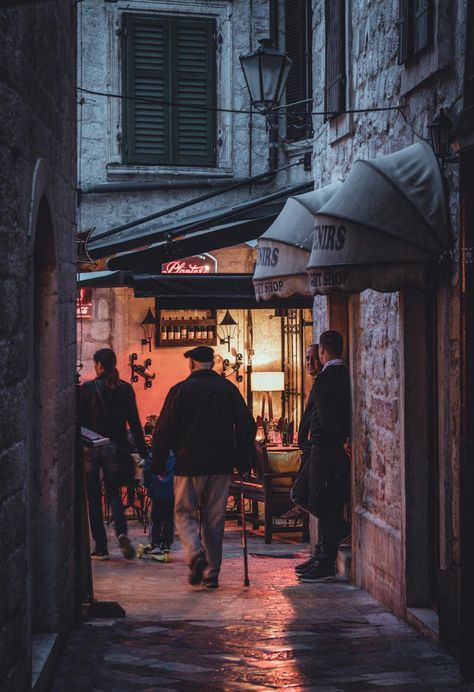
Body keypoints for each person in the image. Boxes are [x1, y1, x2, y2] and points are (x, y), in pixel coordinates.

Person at [152, 345, 256, 589]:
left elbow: (163, 429)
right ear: (212, 363)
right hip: (220, 464)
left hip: (189, 463)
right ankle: (211, 573)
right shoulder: (228, 390)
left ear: (191, 364)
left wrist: (158, 462)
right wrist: (242, 461)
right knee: (214, 518)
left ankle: (195, 554)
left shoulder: (180, 390)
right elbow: (246, 426)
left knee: (184, 512)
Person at [81, 348, 147, 560]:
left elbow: (80, 421)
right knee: (113, 495)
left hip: (92, 448)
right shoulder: (125, 389)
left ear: (99, 365)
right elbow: (135, 423)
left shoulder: (89, 388)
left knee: (93, 498)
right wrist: (144, 451)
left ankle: (101, 547)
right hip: (115, 448)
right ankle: (121, 533)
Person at [298, 330, 351, 582]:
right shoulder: (341, 375)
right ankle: (323, 555)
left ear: (323, 351)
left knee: (322, 500)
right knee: (321, 500)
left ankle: (326, 560)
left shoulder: (326, 378)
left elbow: (327, 416)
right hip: (328, 447)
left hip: (326, 448)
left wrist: (340, 440)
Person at [291, 344, 324, 573]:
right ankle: (320, 553)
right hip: (310, 450)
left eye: (314, 358)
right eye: (307, 359)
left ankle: (324, 552)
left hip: (318, 451)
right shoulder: (316, 384)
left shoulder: (324, 383)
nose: (310, 363)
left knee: (304, 494)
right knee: (305, 495)